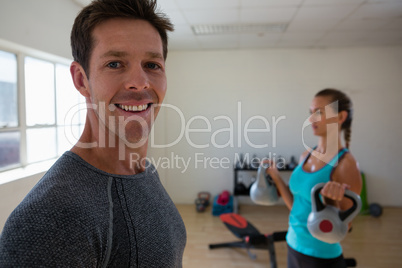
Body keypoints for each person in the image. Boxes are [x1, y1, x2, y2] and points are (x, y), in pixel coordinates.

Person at [0, 0, 187, 267]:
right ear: (81, 79)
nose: (140, 81)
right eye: (114, 64)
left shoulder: (145, 171)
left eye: (152, 65)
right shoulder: (51, 218)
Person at [266, 89, 362, 268]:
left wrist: (332, 204)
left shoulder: (345, 164)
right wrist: (276, 176)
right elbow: (297, 205)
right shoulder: (306, 155)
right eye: (311, 113)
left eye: (319, 113)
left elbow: (344, 229)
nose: (311, 119)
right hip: (293, 244)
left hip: (321, 257)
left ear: (340, 117)